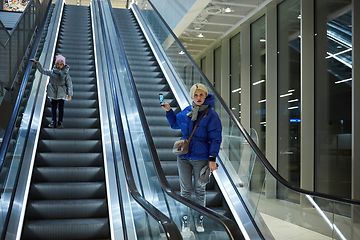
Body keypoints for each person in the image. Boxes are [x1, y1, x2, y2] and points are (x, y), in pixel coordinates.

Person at [160, 83, 222, 233]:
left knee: (200, 190)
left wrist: (212, 158)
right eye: (196, 95)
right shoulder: (188, 111)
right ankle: (185, 221)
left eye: (201, 95)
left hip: (201, 157)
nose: (199, 98)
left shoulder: (211, 115)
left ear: (206, 95)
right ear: (192, 97)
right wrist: (169, 111)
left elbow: (216, 138)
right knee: (185, 190)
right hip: (184, 156)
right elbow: (175, 123)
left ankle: (199, 218)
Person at [30, 55, 73, 128]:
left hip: (62, 94)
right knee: (53, 108)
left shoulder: (66, 75)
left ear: (64, 65)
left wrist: (69, 94)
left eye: (61, 64)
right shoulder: (52, 72)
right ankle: (53, 121)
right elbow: (43, 71)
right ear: (55, 64)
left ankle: (60, 122)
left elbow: (69, 84)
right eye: (58, 64)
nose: (59, 66)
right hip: (53, 94)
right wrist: (37, 63)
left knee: (61, 109)